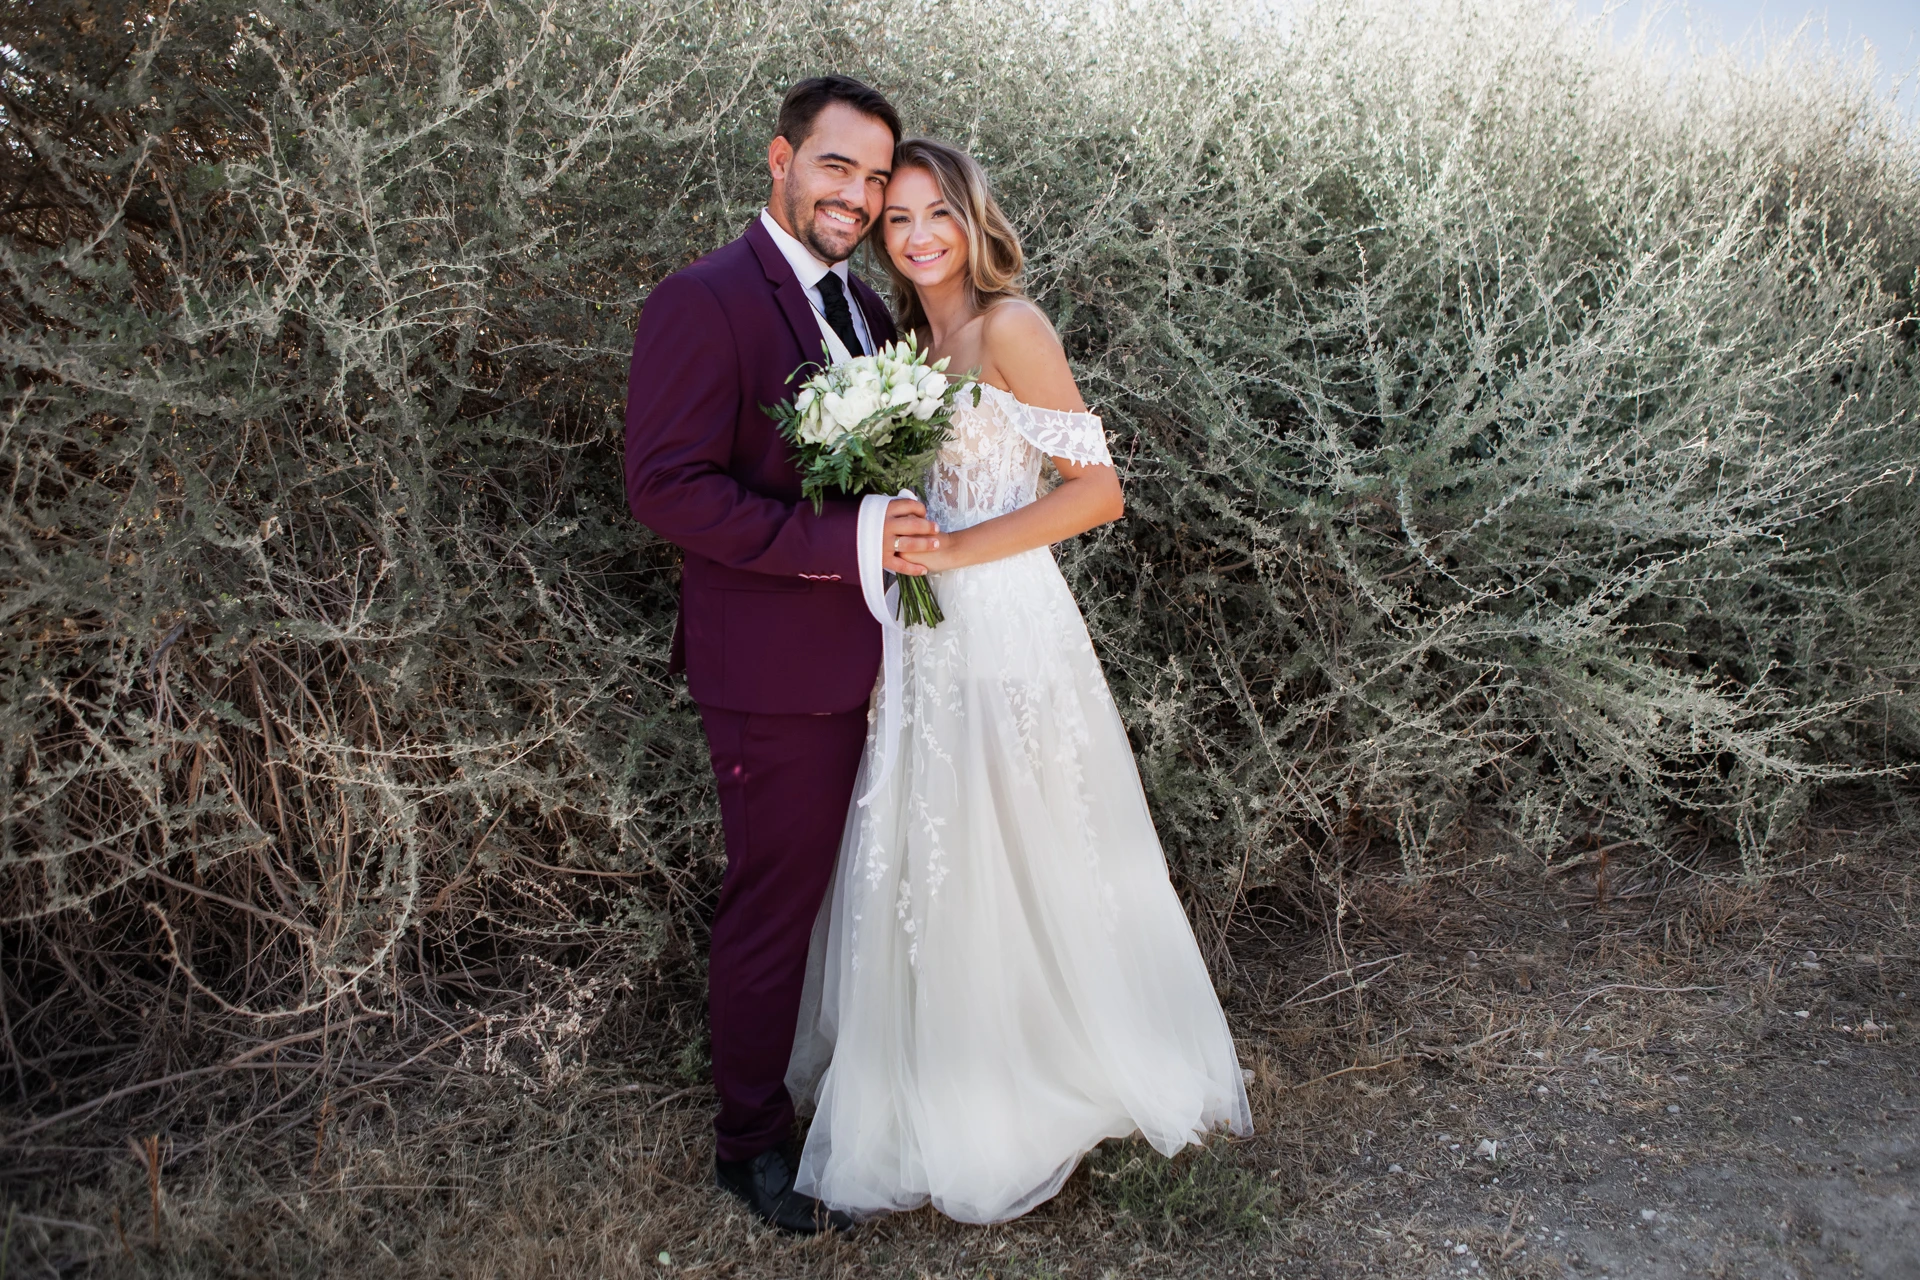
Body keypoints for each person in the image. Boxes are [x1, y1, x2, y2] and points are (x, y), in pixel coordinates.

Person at [785, 137, 1252, 1225]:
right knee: (933, 837)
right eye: (898, 219)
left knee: (1018, 833)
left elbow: (1098, 491)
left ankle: (1043, 1069)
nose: (919, 236)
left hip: (1002, 618)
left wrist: (954, 547)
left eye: (936, 213)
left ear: (971, 216)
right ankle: (930, 1073)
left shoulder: (1010, 327)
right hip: (918, 632)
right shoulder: (904, 340)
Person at [622, 76, 944, 1235]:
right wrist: (848, 541)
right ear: (780, 160)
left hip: (878, 658)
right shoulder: (704, 299)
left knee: (851, 893)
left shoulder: (862, 307)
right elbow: (665, 488)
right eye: (835, 167)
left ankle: (850, 1084)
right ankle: (748, 1145)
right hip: (771, 675)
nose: (855, 195)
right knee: (774, 905)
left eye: (874, 177)